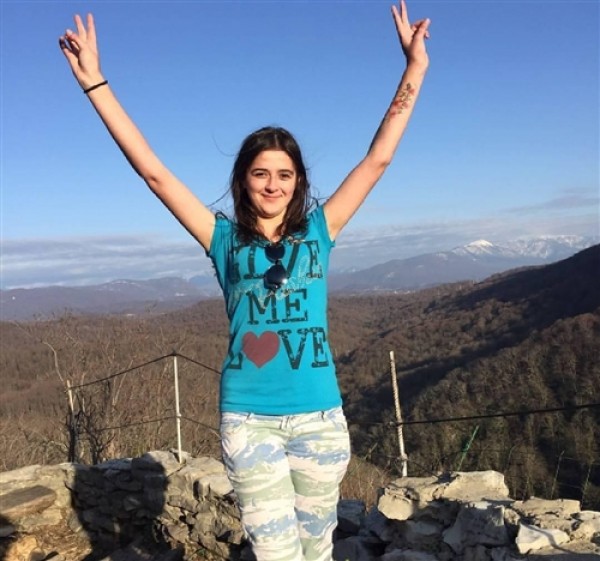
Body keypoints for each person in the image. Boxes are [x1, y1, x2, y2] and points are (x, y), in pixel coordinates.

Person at [59, 2, 430, 560]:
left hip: (321, 420)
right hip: (250, 420)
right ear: (244, 180)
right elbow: (154, 173)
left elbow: (377, 160)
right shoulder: (222, 239)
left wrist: (415, 68)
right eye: (261, 173)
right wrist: (96, 84)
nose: (273, 184)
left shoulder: (320, 231)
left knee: (316, 551)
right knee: (277, 553)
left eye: (284, 174)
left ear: (298, 182)